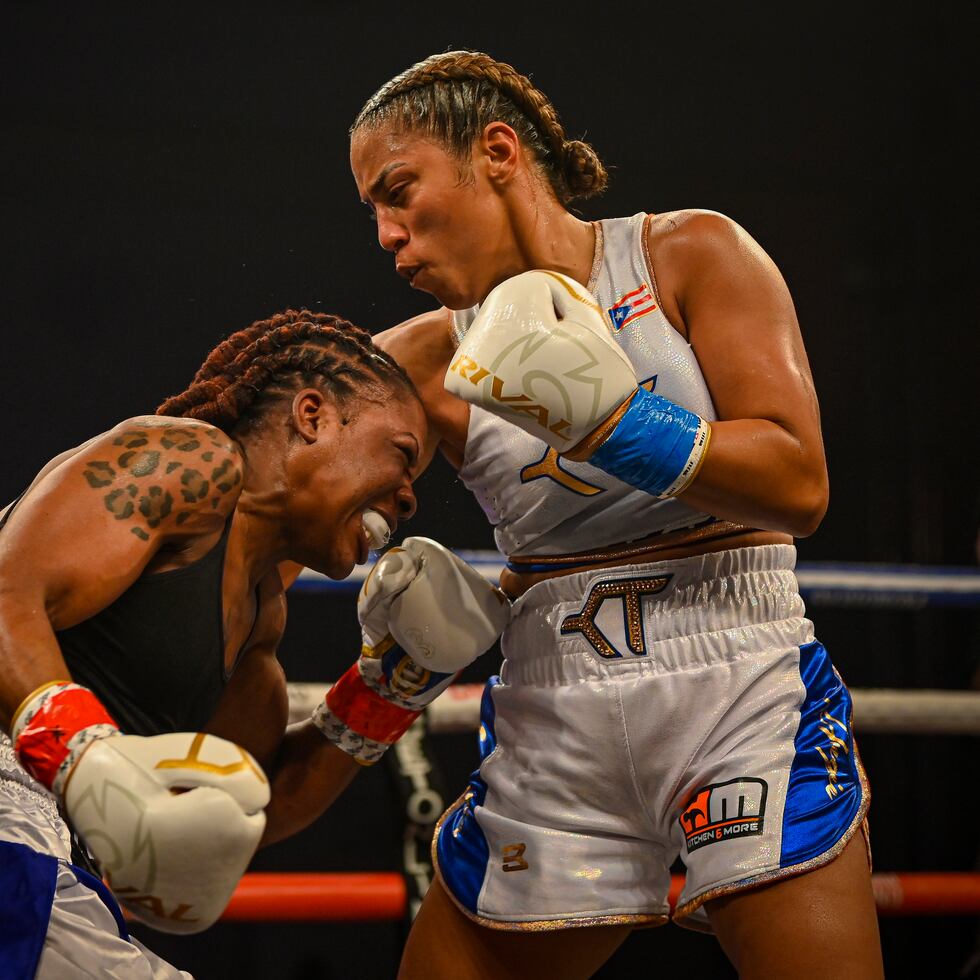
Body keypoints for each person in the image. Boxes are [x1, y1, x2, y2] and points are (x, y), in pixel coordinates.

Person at [349, 51, 885, 979]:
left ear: (500, 152)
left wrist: (615, 421)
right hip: (552, 698)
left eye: (400, 191)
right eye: (374, 213)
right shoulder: (419, 360)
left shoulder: (687, 254)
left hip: (739, 674)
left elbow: (799, 484)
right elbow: (284, 491)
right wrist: (380, 654)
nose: (389, 235)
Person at [0, 308, 510, 979]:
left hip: (51, 858)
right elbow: (6, 595)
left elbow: (250, 802)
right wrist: (83, 756)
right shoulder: (188, 460)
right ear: (312, 415)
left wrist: (390, 687)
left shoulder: (259, 614)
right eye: (403, 454)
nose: (410, 498)